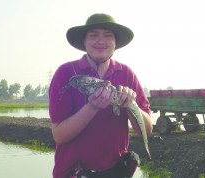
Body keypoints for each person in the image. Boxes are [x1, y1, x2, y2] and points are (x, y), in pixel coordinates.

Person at [49, 13, 153, 178]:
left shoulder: (126, 73)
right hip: (72, 172)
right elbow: (59, 135)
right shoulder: (66, 73)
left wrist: (130, 105)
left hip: (116, 171)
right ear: (84, 41)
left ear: (115, 43)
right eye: (93, 35)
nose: (101, 41)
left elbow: (146, 130)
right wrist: (92, 107)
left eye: (108, 35)